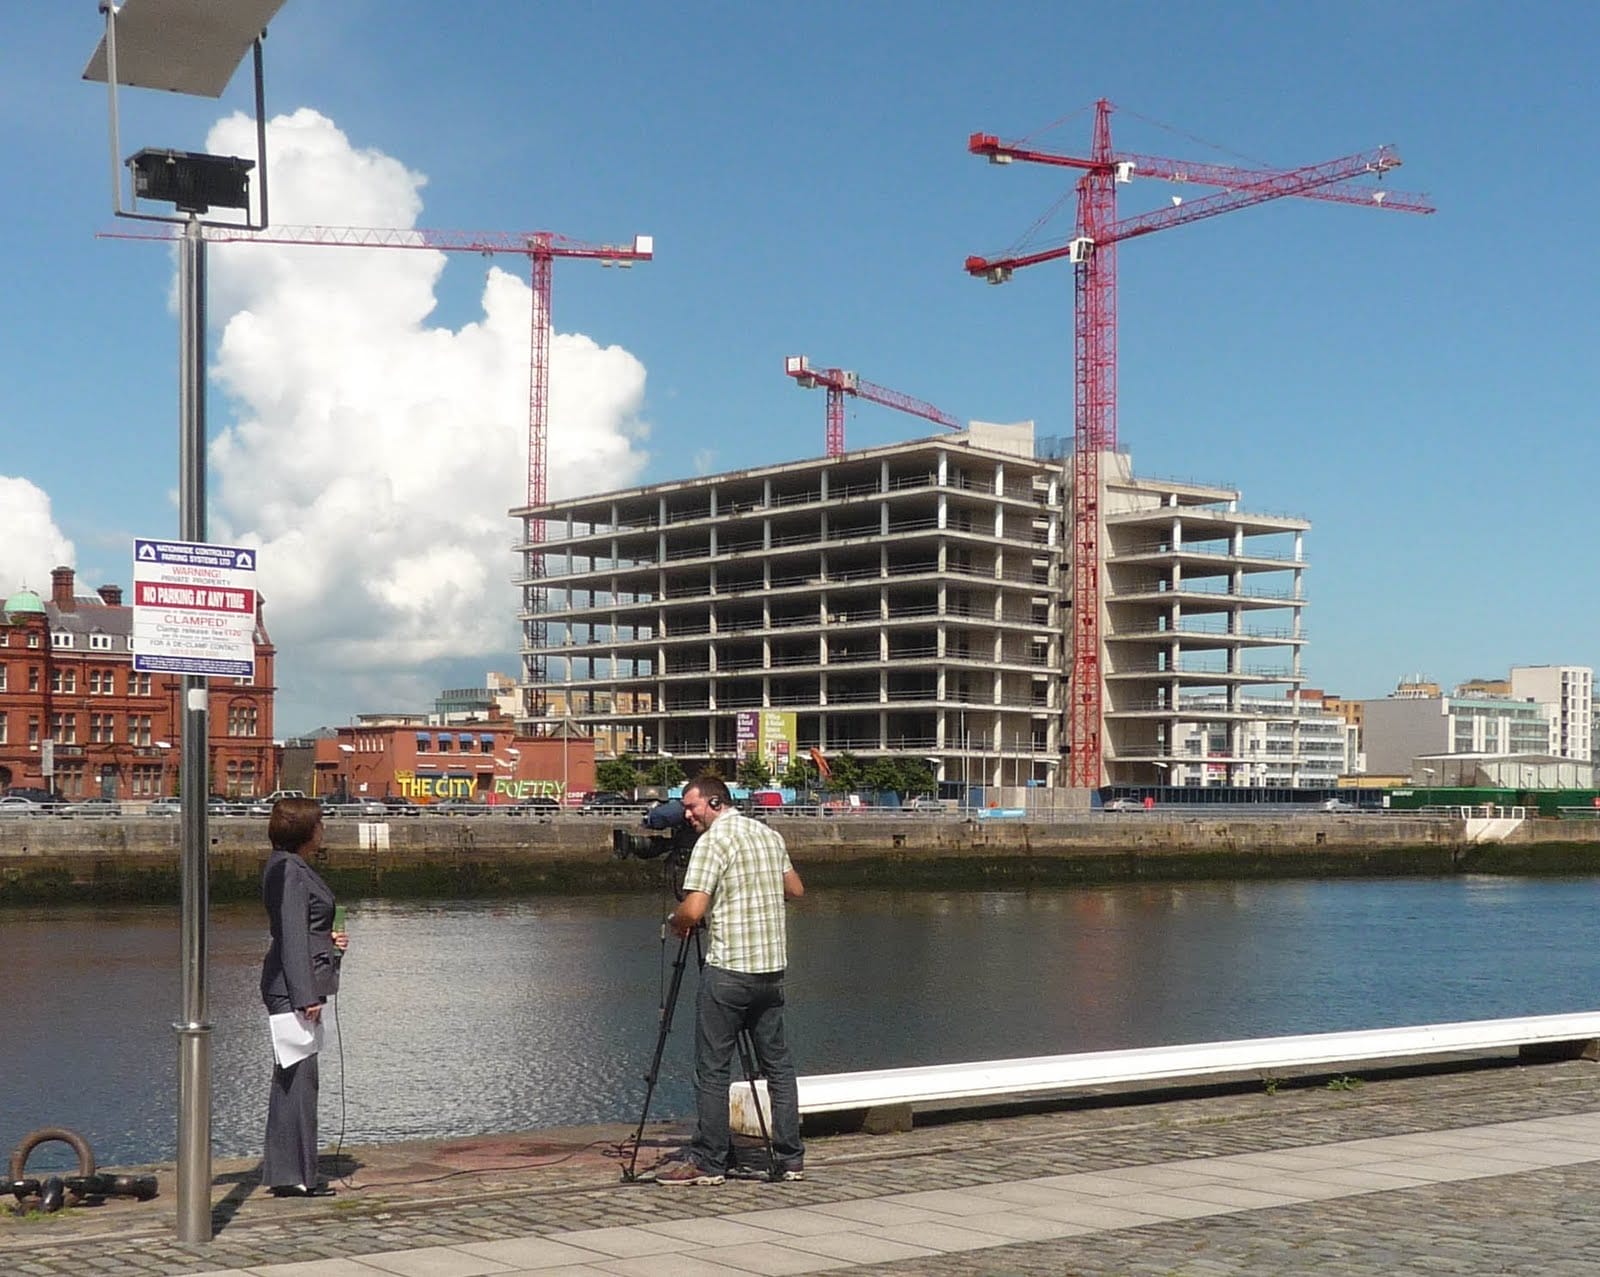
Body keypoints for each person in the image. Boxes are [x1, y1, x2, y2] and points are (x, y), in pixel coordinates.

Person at [659, 775, 805, 1185]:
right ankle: (791, 1156)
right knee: (777, 1065)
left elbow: (693, 909)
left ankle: (710, 1161)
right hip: (771, 969)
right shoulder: (768, 835)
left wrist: (676, 921)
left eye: (692, 807)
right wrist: (753, 893)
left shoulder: (713, 842)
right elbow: (795, 889)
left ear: (716, 802)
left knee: (713, 1068)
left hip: (729, 970)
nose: (687, 815)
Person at [259, 797, 348, 1198]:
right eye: (320, 823)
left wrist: (329, 941)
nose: (323, 829)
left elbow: (301, 928)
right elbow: (292, 934)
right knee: (299, 1080)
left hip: (292, 982)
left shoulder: (283, 866)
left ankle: (287, 1171)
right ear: (306, 831)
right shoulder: (291, 872)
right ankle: (296, 1176)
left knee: (291, 1076)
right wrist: (305, 994)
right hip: (293, 986)